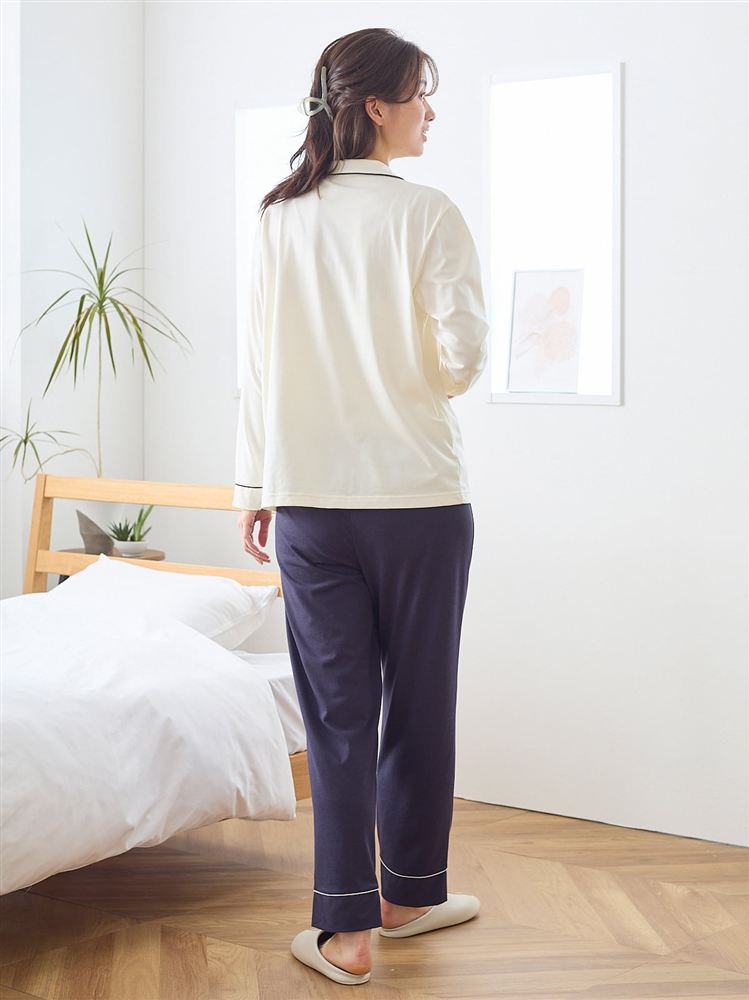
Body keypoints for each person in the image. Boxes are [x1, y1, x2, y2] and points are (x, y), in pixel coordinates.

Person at [233, 27, 488, 987]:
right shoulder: (428, 213)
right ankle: (408, 893)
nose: (431, 111)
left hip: (306, 501)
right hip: (420, 500)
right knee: (421, 703)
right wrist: (407, 366)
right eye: (421, 94)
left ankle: (347, 933)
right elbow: (461, 360)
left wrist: (253, 490)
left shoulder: (278, 218)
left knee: (339, 718)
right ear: (376, 107)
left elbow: (257, 371)